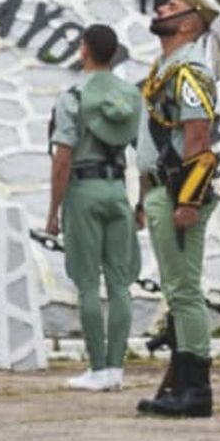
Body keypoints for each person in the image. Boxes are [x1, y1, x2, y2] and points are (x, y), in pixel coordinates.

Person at [135, 0, 220, 423]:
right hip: (160, 189)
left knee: (185, 291)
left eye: (172, 6)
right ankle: (183, 382)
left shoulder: (189, 70)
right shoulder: (166, 67)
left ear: (190, 23)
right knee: (177, 290)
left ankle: (195, 387)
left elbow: (197, 136)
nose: (162, 9)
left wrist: (188, 199)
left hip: (176, 192)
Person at [45, 25, 142, 393]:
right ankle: (117, 368)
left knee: (87, 283)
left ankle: (98, 368)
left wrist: (54, 209)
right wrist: (142, 203)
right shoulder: (130, 96)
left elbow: (63, 157)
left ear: (85, 50)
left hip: (83, 190)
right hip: (117, 189)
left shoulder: (72, 95)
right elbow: (143, 154)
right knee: (121, 283)